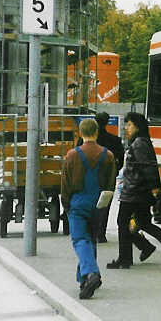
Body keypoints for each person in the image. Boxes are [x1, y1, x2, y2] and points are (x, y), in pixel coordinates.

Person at [107, 112, 161, 269]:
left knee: (122, 222)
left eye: (129, 125)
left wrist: (155, 189)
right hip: (138, 191)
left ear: (137, 126)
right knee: (145, 224)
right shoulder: (140, 142)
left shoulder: (139, 143)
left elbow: (147, 168)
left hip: (134, 192)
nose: (126, 128)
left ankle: (124, 259)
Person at [61, 118, 117, 299]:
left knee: (80, 239)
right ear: (97, 132)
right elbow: (111, 183)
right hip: (98, 203)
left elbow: (65, 183)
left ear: (80, 133)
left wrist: (66, 202)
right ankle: (84, 281)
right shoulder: (108, 155)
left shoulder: (72, 155)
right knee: (90, 239)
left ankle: (92, 273)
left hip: (78, 202)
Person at [75, 112, 124, 243]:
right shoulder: (115, 140)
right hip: (107, 177)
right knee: (105, 205)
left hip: (88, 177)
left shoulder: (84, 141)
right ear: (107, 122)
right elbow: (121, 160)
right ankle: (101, 233)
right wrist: (114, 172)